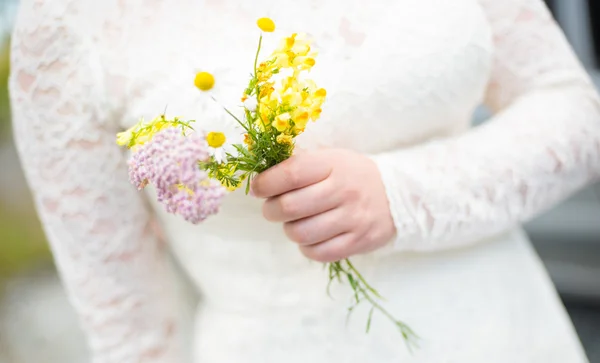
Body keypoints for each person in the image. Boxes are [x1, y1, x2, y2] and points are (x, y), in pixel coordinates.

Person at [9, 0, 598, 362]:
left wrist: (404, 195)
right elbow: (131, 337)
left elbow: (575, 112)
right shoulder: (67, 23)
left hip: (513, 337)